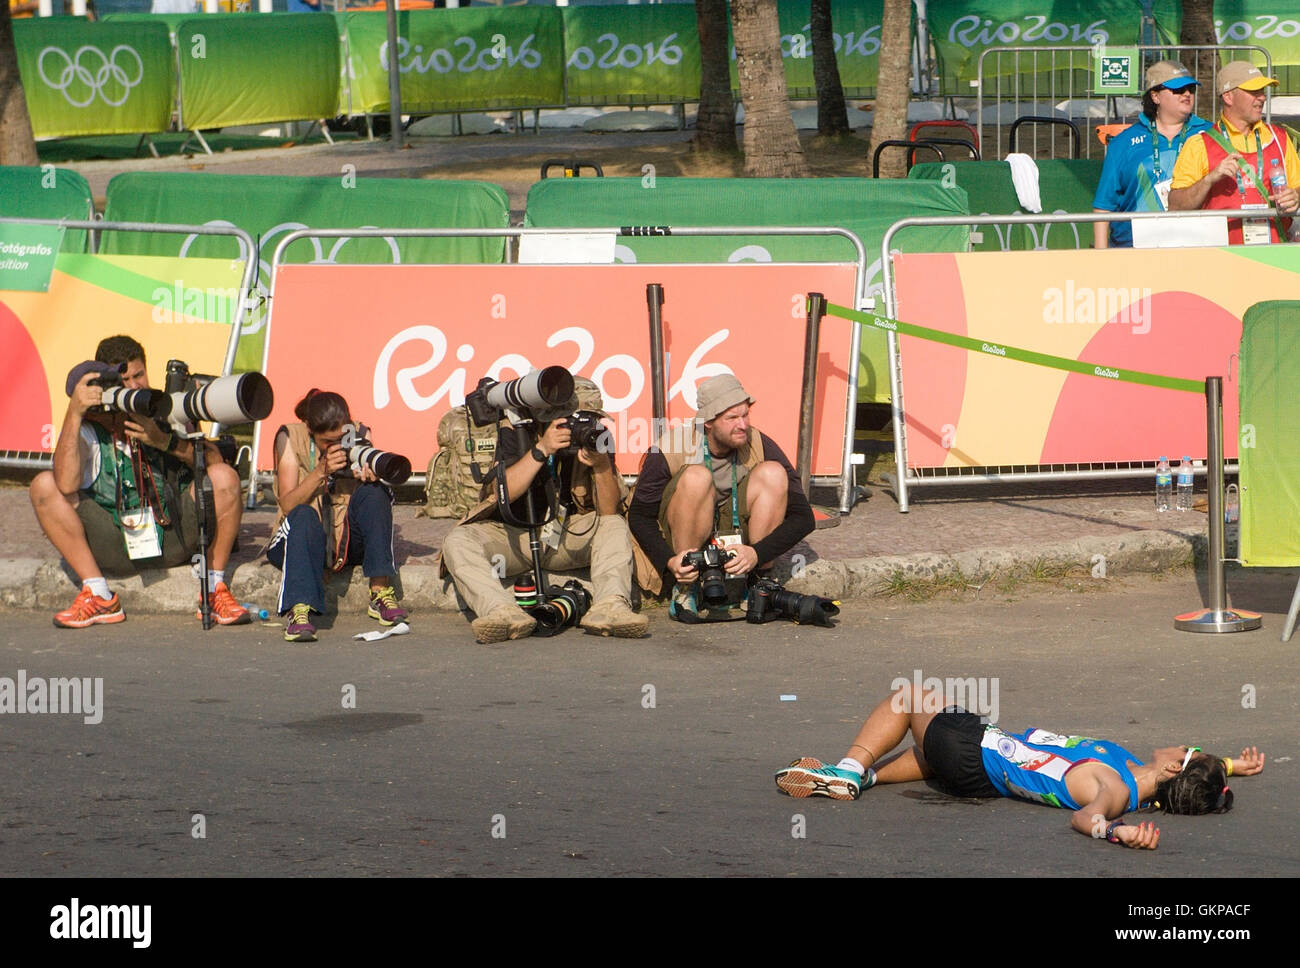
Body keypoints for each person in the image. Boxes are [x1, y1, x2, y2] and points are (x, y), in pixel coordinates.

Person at [774, 680, 1265, 850]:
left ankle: (846, 770)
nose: (1182, 743)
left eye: (1189, 749)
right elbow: (1195, 775)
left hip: (976, 750)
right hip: (977, 778)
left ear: (1176, 767)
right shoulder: (1133, 773)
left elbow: (1087, 818)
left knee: (909, 697)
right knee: (928, 756)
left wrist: (1116, 833)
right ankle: (869, 778)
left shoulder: (1114, 790)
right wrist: (1226, 768)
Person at [29, 336, 249, 628]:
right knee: (43, 485)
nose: (134, 386)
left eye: (139, 375)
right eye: (125, 379)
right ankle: (99, 595)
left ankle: (214, 590)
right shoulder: (88, 429)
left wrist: (164, 441)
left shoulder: (166, 409)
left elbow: (215, 464)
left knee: (224, 478)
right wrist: (74, 413)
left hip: (174, 536)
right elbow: (66, 484)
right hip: (115, 543)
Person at [439, 376, 649, 643]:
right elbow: (501, 494)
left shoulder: (596, 435)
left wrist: (600, 466)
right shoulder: (517, 430)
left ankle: (610, 608)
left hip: (566, 536)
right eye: (572, 419)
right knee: (458, 539)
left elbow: (609, 511)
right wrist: (541, 450)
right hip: (513, 536)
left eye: (587, 418)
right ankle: (502, 613)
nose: (578, 426)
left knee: (615, 525)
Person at [627, 373, 815, 621]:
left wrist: (758, 553)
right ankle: (685, 587)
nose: (743, 425)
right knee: (697, 477)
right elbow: (639, 516)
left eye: (745, 414)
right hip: (684, 532)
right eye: (732, 418)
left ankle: (760, 582)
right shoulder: (669, 447)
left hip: (739, 539)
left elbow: (804, 517)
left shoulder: (758, 442)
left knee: (773, 473)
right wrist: (669, 561)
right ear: (708, 423)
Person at [267, 390, 408, 642]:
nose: (335, 446)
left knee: (375, 493)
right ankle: (298, 609)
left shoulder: (360, 433)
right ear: (309, 429)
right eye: (326, 442)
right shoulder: (291, 436)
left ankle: (379, 593)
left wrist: (370, 477)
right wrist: (320, 471)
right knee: (302, 514)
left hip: (343, 540)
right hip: (300, 539)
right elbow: (287, 504)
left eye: (340, 438)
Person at [1168, 60, 1300, 244]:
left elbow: (1297, 187)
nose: (1262, 97)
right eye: (1254, 92)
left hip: (1274, 256)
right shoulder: (1199, 144)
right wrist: (1209, 180)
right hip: (1222, 258)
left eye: (1262, 91)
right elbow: (1175, 207)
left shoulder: (1280, 138)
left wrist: (1295, 197)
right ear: (1228, 97)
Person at [1092, 61, 1212, 249]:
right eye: (1178, 89)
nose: (1187, 94)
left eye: (1190, 88)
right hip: (1134, 246)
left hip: (1196, 243)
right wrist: (1100, 257)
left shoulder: (1211, 134)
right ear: (1155, 96)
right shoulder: (1124, 141)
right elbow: (1103, 205)